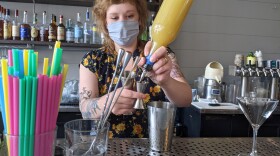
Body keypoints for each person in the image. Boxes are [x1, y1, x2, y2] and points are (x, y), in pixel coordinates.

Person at [79, 0, 192, 138]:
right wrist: (107, 103)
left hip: (154, 143)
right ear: (105, 23)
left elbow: (185, 99)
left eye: (130, 16)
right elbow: (85, 109)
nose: (122, 23)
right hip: (107, 147)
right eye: (114, 18)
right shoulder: (93, 60)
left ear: (139, 19)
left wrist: (166, 81)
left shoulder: (160, 54)